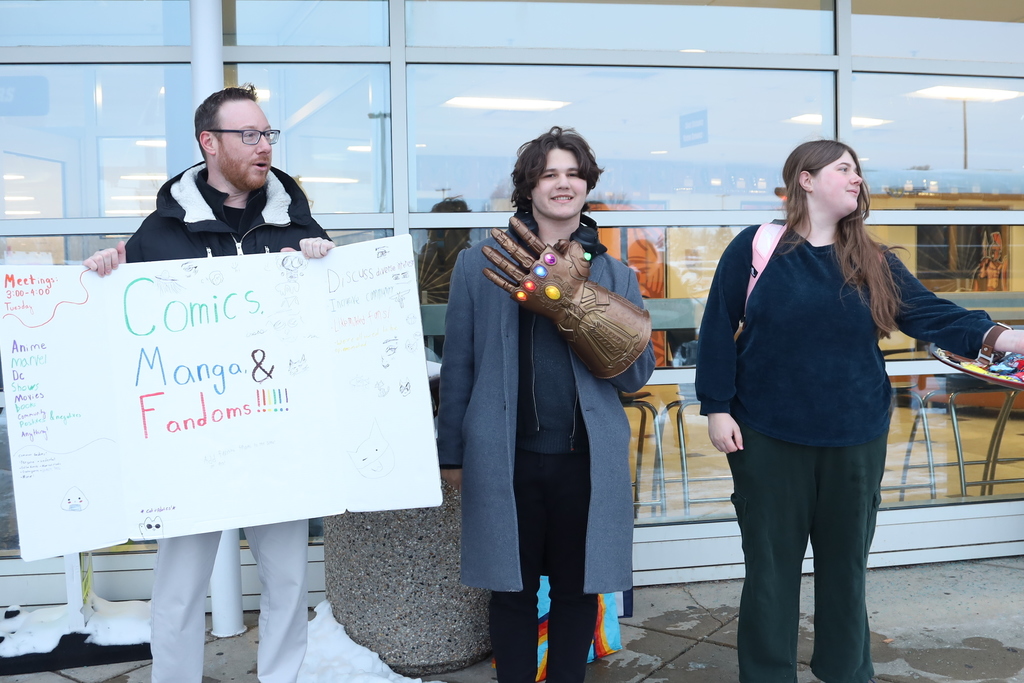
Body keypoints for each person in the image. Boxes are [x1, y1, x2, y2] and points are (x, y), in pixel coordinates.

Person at [695, 139, 1024, 683]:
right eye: (844, 168)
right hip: (768, 435)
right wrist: (716, 407)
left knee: (845, 570)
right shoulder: (757, 248)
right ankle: (768, 674)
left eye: (858, 171)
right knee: (771, 572)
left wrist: (1005, 337)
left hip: (856, 435)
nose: (857, 179)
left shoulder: (874, 259)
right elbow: (716, 329)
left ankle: (846, 673)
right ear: (806, 178)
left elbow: (931, 315)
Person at [84, 84, 334, 683]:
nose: (263, 146)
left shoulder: (295, 223)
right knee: (177, 591)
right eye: (248, 135)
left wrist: (329, 266)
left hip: (277, 438)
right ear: (209, 142)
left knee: (287, 582)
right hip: (191, 444)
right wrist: (105, 277)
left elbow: (324, 327)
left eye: (268, 134)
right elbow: (124, 334)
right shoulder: (161, 230)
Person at [436, 126, 655, 683]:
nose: (563, 184)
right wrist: (453, 455)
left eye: (574, 174)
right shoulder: (479, 267)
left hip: (586, 462)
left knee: (578, 592)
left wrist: (577, 301)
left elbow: (635, 375)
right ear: (528, 187)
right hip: (506, 460)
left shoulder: (615, 272)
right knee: (511, 592)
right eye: (549, 173)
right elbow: (459, 366)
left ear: (587, 186)